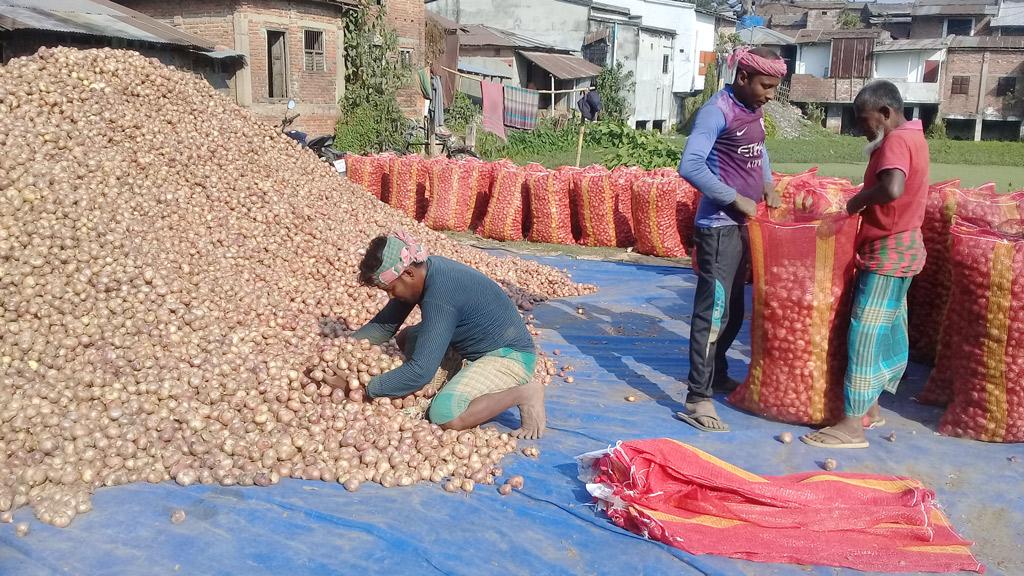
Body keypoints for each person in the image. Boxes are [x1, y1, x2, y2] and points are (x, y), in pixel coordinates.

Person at [801, 80, 929, 449]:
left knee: (865, 334)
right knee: (887, 328)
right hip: (902, 247)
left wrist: (858, 201)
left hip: (889, 250)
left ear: (885, 113)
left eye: (864, 119)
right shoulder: (913, 137)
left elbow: (891, 188)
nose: (860, 128)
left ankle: (852, 424)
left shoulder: (897, 141)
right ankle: (870, 408)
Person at [675, 46, 787, 432]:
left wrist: (768, 183)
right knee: (713, 312)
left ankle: (718, 372)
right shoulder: (716, 111)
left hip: (742, 227)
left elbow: (758, 149)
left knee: (736, 311)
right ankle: (697, 397)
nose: (770, 95)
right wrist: (735, 197)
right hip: (719, 227)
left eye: (774, 87)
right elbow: (689, 165)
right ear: (742, 78)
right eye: (765, 86)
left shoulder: (752, 111)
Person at [338, 231, 545, 438]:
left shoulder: (440, 295)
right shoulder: (425, 269)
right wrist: (344, 349)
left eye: (391, 289)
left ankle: (524, 394)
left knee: (444, 414)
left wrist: (364, 389)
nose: (391, 296)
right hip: (473, 344)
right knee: (406, 338)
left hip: (508, 356)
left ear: (408, 274)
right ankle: (458, 370)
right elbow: (383, 327)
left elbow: (420, 373)